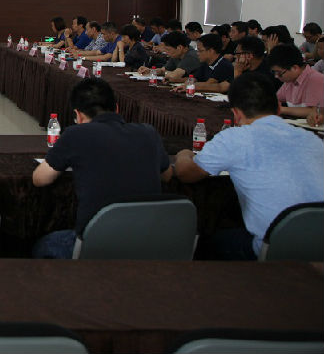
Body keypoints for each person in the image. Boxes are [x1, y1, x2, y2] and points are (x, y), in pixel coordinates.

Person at [174, 73, 324, 260]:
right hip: (319, 243)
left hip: (272, 248)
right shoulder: (312, 140)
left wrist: (184, 154)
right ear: (279, 108)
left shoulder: (235, 138)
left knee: (204, 241)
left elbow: (186, 173)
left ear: (236, 114)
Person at [31, 78, 171, 259]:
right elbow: (167, 175)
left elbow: (40, 179)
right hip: (148, 242)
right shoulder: (148, 132)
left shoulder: (76, 134)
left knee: (43, 245)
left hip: (95, 244)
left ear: (78, 115)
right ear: (117, 108)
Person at [267, 43, 324, 118]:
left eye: (279, 73)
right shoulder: (290, 80)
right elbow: (275, 100)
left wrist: (281, 109)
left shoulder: (316, 79)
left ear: (295, 68)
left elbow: (313, 111)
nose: (276, 76)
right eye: (274, 72)